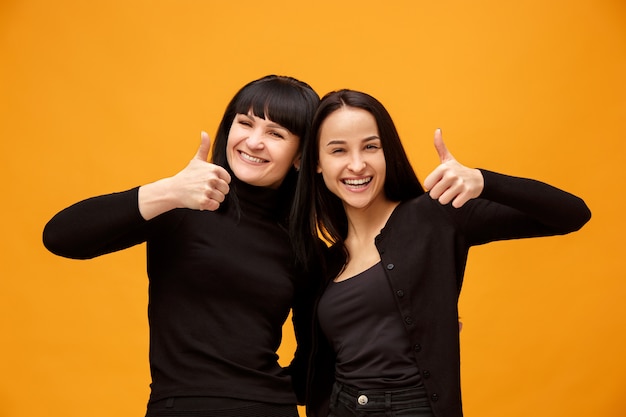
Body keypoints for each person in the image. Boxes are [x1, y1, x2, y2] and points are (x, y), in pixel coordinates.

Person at [291, 89, 591, 417]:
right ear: (317, 163)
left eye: (371, 146)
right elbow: (308, 374)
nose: (357, 164)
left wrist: (482, 180)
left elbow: (572, 214)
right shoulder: (322, 262)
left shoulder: (436, 215)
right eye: (338, 150)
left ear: (386, 152)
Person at [43, 75, 320, 417]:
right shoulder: (179, 205)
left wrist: (268, 396)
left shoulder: (302, 246)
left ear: (300, 155)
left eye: (276, 133)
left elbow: (314, 360)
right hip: (179, 406)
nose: (254, 141)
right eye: (245, 123)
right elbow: (59, 236)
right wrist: (170, 191)